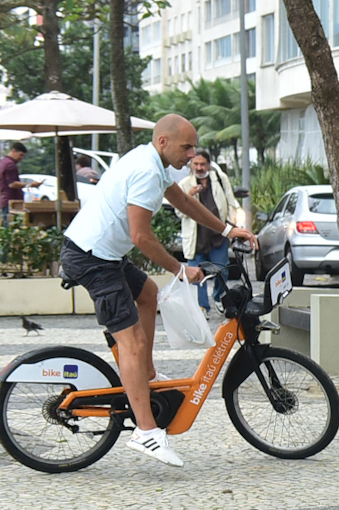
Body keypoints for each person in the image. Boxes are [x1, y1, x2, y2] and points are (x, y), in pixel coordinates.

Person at [58, 115, 255, 468]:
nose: (192, 154)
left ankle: (146, 376)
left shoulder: (152, 159)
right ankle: (146, 432)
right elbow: (141, 237)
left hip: (104, 254)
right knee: (130, 341)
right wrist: (181, 269)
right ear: (164, 142)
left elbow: (183, 201)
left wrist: (227, 231)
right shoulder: (148, 171)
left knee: (148, 294)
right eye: (186, 147)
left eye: (194, 147)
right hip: (92, 259)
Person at [178, 149, 236, 311]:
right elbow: (179, 213)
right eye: (195, 164)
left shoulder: (220, 179)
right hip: (196, 238)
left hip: (218, 236)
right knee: (196, 273)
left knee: (222, 269)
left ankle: (218, 298)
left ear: (209, 165)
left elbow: (231, 202)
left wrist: (234, 226)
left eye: (202, 164)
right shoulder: (184, 184)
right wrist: (188, 196)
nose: (199, 167)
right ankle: (202, 306)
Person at [0, 141, 25, 217]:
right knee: (11, 223)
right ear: (14, 151)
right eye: (20, 155)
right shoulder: (10, 164)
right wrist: (30, 184)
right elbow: (12, 184)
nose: (21, 158)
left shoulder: (3, 162)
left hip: (5, 199)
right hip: (12, 200)